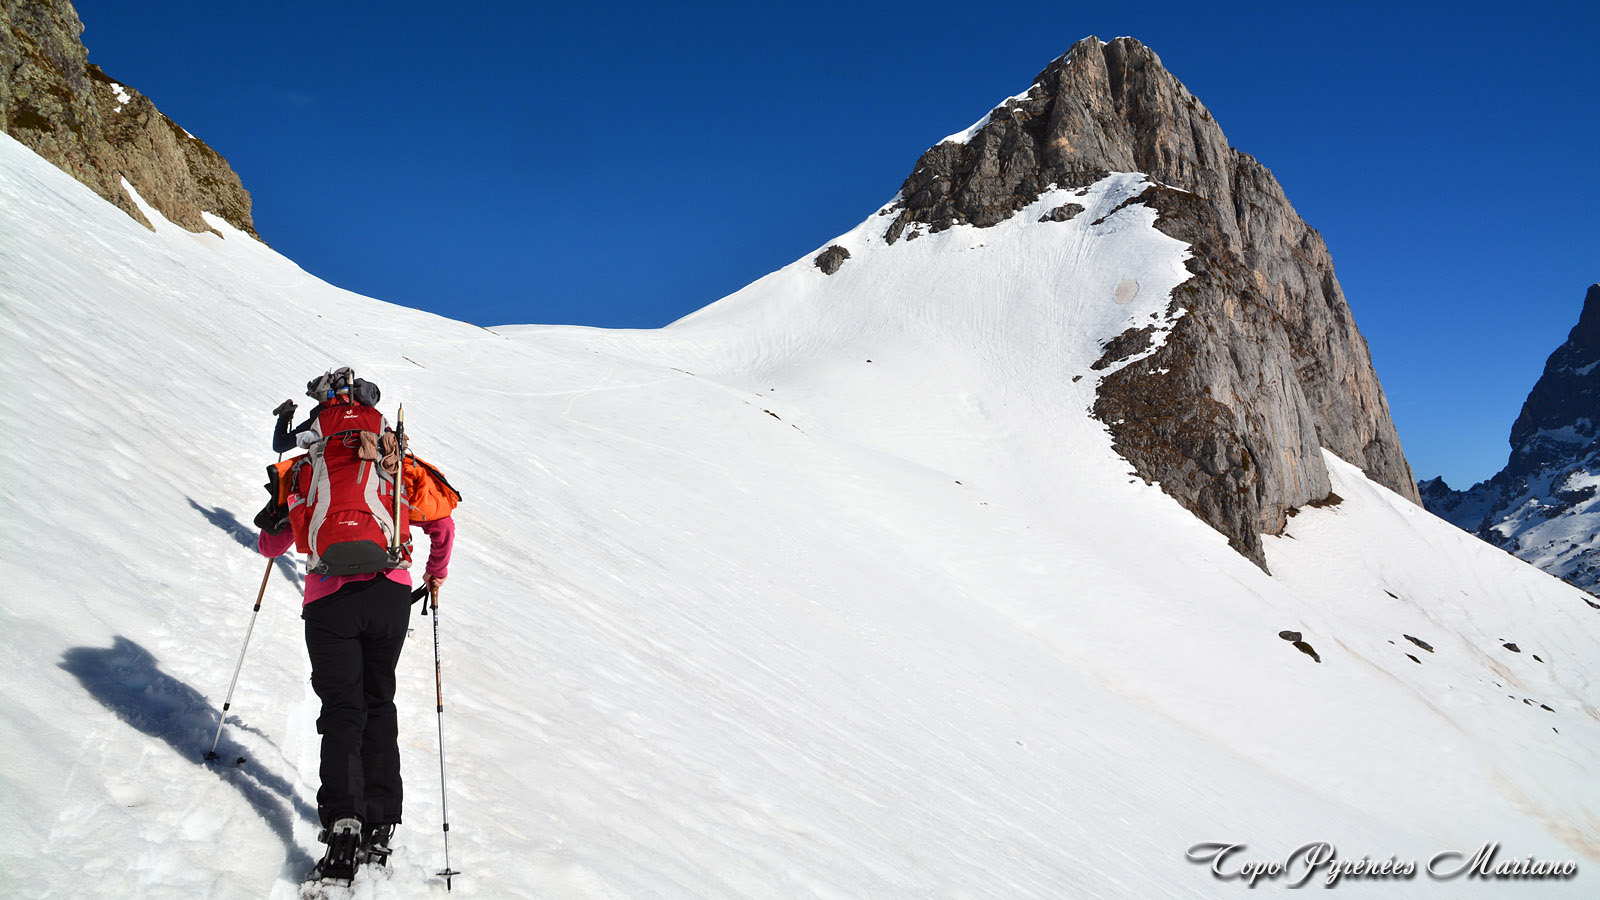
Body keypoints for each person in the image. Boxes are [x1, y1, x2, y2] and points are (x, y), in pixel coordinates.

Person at [257, 368, 455, 876]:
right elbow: (443, 524)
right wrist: (434, 573)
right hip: (390, 593)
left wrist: (285, 507)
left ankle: (344, 821)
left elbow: (270, 545)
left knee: (343, 708)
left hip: (329, 600)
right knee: (378, 701)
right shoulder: (394, 460)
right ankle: (381, 822)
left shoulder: (307, 465)